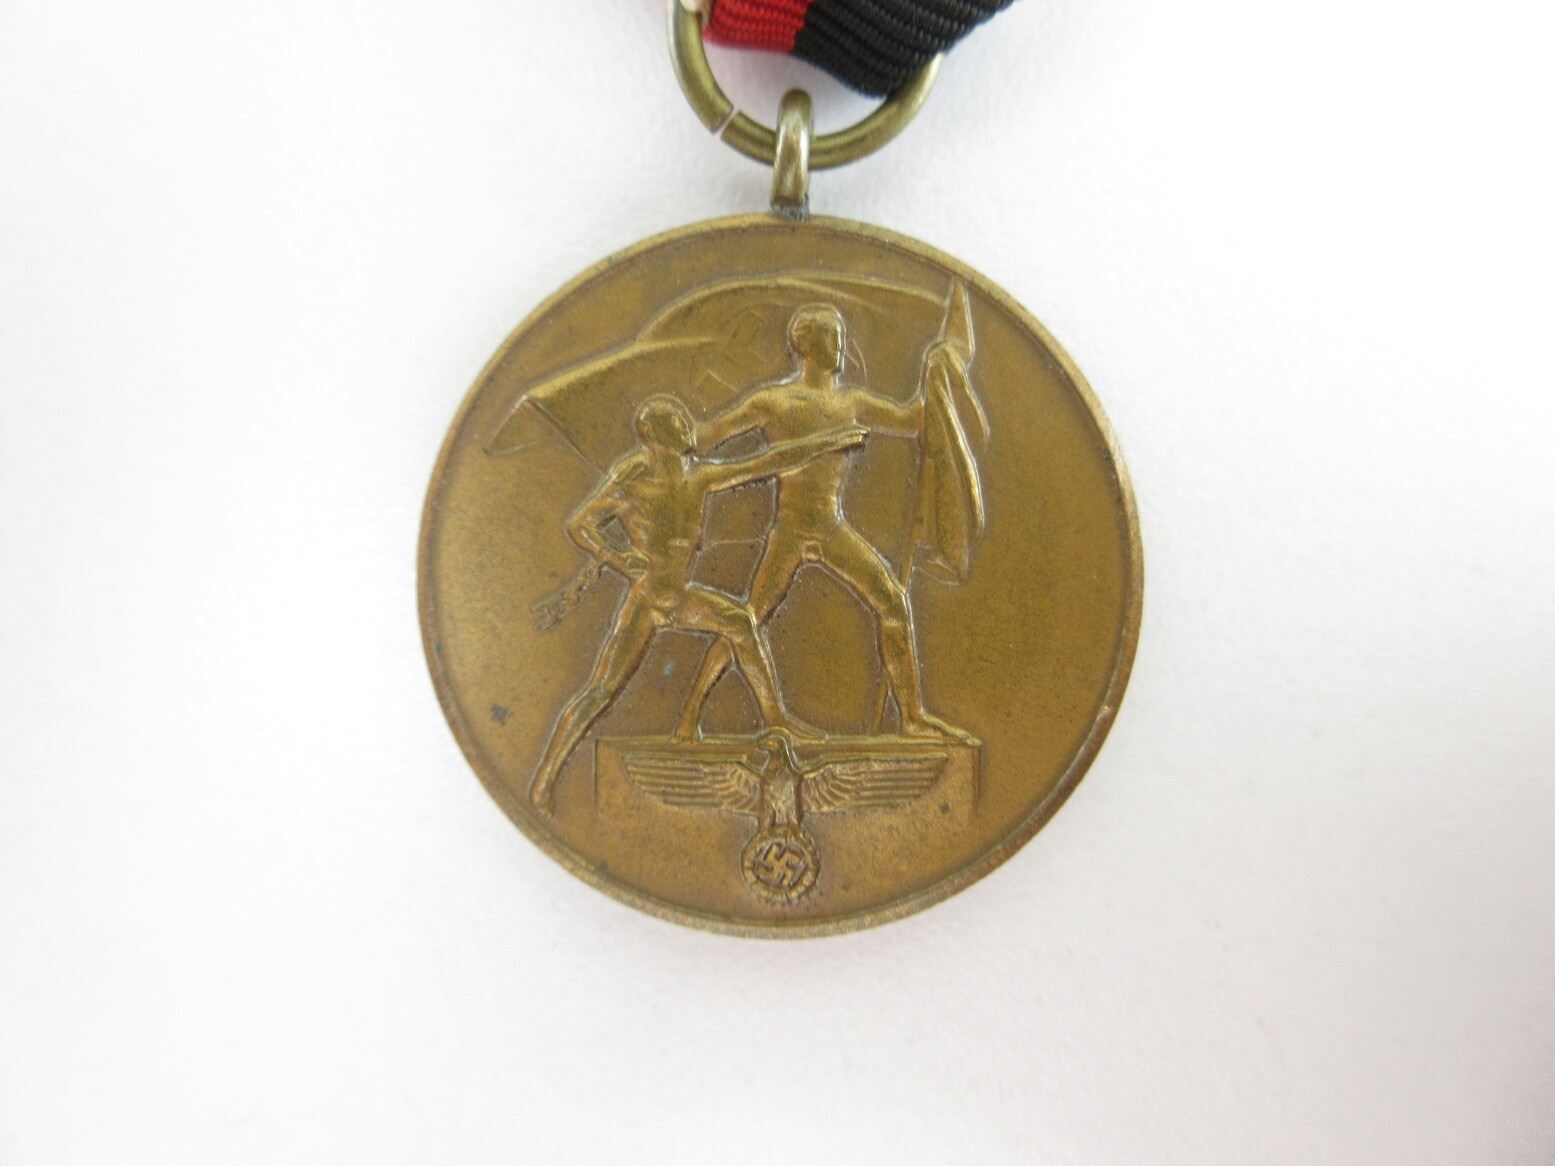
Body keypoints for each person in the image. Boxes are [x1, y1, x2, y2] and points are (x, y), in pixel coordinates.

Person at [528, 393, 863, 813]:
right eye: (676, 421)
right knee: (600, 692)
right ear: (654, 434)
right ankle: (545, 780)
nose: (687, 426)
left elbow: (765, 462)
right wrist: (619, 558)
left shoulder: (698, 477)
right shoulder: (633, 478)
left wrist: (826, 443)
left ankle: (777, 719)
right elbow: (581, 524)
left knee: (740, 622)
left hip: (680, 597)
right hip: (649, 600)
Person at [673, 303, 971, 742]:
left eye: (840, 339)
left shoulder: (851, 403)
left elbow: (913, 420)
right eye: (832, 339)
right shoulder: (774, 402)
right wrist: (668, 434)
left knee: (892, 601)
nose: (840, 348)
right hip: (791, 531)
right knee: (747, 620)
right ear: (807, 346)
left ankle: (912, 718)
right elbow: (705, 437)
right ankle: (688, 720)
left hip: (830, 529)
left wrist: (937, 371)